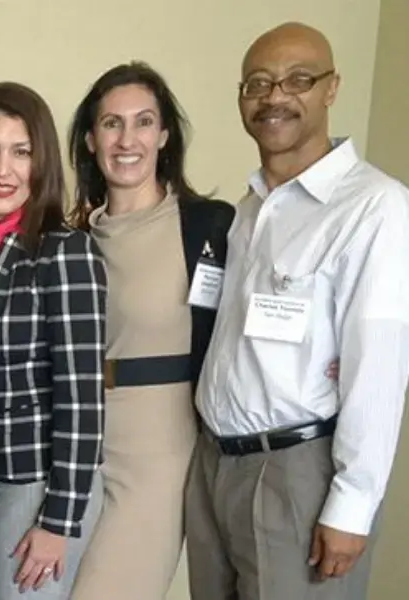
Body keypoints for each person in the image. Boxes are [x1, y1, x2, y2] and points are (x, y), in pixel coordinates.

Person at [187, 22, 409, 600]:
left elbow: (379, 366)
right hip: (214, 467)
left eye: (297, 80)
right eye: (257, 84)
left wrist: (353, 505)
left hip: (297, 474)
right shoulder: (245, 212)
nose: (275, 96)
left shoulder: (375, 208)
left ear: (331, 89)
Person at [64, 62, 235, 600]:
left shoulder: (207, 226)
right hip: (74, 446)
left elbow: (261, 308)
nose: (127, 138)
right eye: (111, 124)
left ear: (163, 135)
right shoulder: (71, 241)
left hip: (157, 452)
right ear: (92, 140)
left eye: (143, 122)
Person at [0, 81, 107, 600]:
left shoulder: (65, 251)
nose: (2, 170)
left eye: (22, 153)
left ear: (42, 164)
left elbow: (83, 398)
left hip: (34, 482)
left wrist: (59, 520)